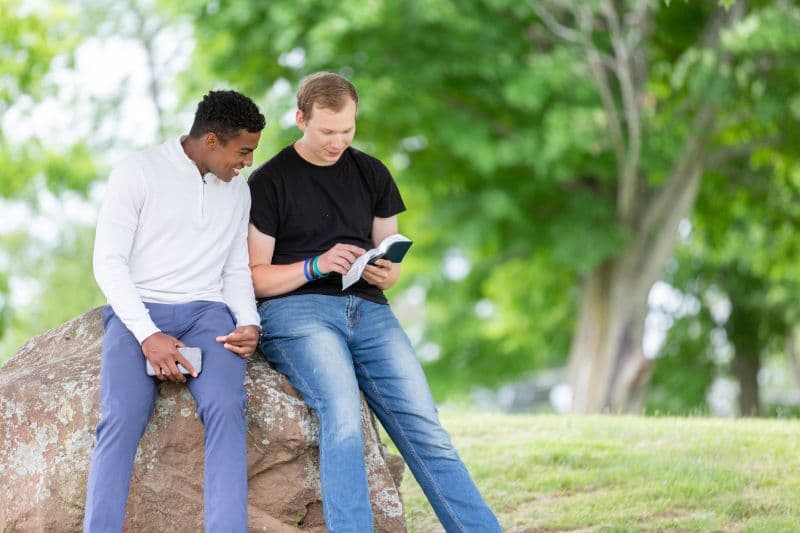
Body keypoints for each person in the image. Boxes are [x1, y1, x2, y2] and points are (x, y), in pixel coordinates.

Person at [247, 72, 502, 532]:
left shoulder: (373, 173)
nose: (338, 141)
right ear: (300, 118)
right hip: (298, 312)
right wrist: (316, 264)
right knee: (341, 416)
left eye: (348, 130)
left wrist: (389, 271)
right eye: (327, 131)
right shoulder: (269, 182)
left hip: (369, 310)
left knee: (426, 429)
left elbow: (390, 254)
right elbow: (256, 278)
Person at [84, 90, 265, 532]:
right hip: (138, 312)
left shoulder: (237, 191)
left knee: (226, 405)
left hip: (207, 313)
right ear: (210, 142)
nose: (247, 163)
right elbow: (108, 261)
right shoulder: (137, 172)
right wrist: (148, 335)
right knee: (122, 415)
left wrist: (249, 322)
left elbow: (234, 268)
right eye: (243, 152)